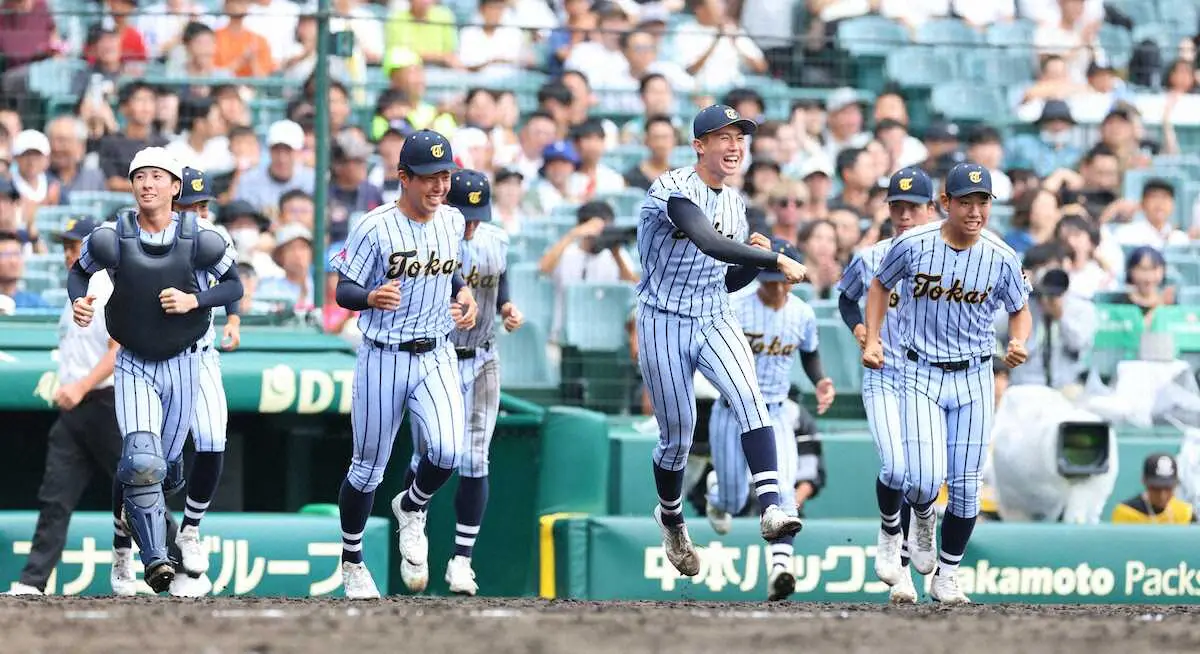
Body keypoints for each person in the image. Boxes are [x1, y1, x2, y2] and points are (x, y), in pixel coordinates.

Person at [636, 104, 806, 582]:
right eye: (722, 137)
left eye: (740, 137)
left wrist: (752, 264)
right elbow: (707, 241)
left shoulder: (734, 201)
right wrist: (768, 255)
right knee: (678, 437)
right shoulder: (672, 189)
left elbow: (725, 279)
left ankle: (772, 506)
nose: (734, 146)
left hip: (713, 313)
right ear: (699, 145)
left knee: (750, 398)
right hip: (662, 318)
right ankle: (671, 517)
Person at [67, 147, 243, 594]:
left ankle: (174, 534)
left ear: (174, 186)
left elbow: (233, 285)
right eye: (140, 176)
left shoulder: (202, 237)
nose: (148, 183)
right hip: (134, 361)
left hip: (187, 361)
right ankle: (151, 561)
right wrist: (79, 302)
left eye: (157, 176)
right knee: (140, 460)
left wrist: (195, 301)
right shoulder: (111, 235)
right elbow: (78, 273)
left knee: (167, 468)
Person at [863, 163, 1031, 604]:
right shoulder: (914, 244)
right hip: (920, 370)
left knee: (967, 487)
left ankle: (948, 574)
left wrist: (1018, 340)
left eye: (983, 201)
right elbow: (879, 286)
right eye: (966, 201)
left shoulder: (1001, 256)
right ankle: (921, 518)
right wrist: (874, 338)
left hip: (975, 374)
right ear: (945, 203)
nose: (975, 210)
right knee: (921, 479)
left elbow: (1020, 307)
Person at [330, 130, 479, 599]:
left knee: (448, 452)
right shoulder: (374, 225)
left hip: (436, 351)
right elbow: (343, 289)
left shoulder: (453, 220)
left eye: (445, 176)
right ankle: (352, 562)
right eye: (430, 178)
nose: (439, 186)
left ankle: (412, 507)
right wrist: (370, 296)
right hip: (383, 356)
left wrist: (464, 293)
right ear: (403, 177)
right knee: (366, 468)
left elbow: (451, 268)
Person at [5, 217, 177, 596]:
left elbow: (117, 352)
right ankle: (33, 581)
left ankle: (179, 564)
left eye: (76, 245)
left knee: (140, 488)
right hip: (75, 410)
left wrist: (80, 387)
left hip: (108, 403)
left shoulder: (109, 286)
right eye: (66, 246)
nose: (71, 253)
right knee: (55, 497)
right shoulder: (75, 293)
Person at [399, 170, 524, 596]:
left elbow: (499, 279)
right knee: (431, 453)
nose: (470, 223)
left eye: (476, 215)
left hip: (484, 353)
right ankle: (413, 532)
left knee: (474, 458)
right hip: (438, 357)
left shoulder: (495, 238)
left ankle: (461, 561)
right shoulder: (433, 237)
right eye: (464, 213)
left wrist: (507, 306)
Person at [704, 238, 835, 601]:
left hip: (776, 413)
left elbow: (809, 354)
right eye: (767, 277)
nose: (774, 285)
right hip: (731, 411)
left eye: (780, 278)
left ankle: (780, 569)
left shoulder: (803, 313)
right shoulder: (734, 306)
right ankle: (716, 493)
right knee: (732, 501)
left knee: (784, 495)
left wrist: (820, 379)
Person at [836, 167, 937, 604]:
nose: (904, 214)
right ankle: (889, 534)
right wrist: (860, 329)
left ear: (932, 209)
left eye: (913, 207)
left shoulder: (953, 259)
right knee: (895, 469)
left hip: (930, 378)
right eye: (897, 206)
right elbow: (845, 296)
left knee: (925, 480)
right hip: (883, 373)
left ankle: (922, 529)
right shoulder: (872, 256)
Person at [165, 166, 243, 596]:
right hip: (155, 359)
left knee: (213, 441)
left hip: (201, 355)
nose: (196, 213)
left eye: (201, 205)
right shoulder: (151, 238)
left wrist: (232, 319)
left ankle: (190, 530)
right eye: (187, 206)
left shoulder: (214, 238)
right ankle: (126, 548)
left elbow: (233, 285)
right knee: (152, 461)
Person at [1111, 454, 1198, 525]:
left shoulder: (1185, 512)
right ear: (1144, 481)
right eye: (1156, 488)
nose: (1162, 495)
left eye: (1168, 488)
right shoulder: (1125, 512)